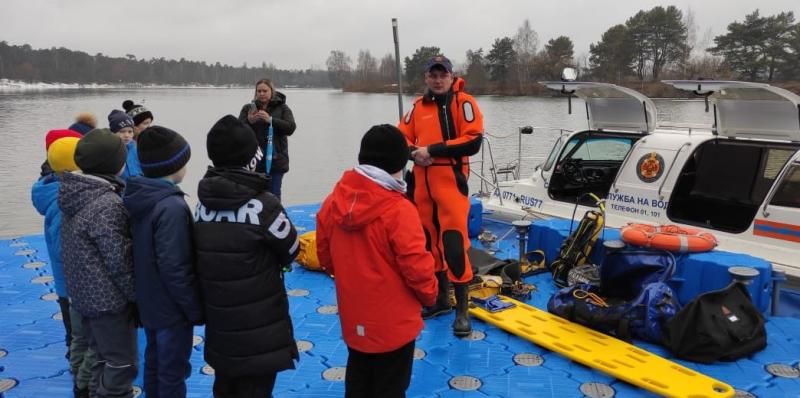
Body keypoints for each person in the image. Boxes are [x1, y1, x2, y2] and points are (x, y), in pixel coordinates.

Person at [316, 124, 438, 398]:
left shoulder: (333, 201)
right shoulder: (399, 209)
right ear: (398, 163)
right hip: (394, 327)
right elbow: (417, 265)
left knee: (358, 381)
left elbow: (325, 256)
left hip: (354, 318)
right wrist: (430, 295)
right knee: (391, 387)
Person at [194, 115, 300, 397]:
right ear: (252, 159)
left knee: (225, 386)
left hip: (220, 327)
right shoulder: (264, 205)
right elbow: (291, 249)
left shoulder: (201, 204)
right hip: (260, 332)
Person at [397, 55, 484, 337]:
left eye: (442, 75)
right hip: (421, 185)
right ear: (425, 77)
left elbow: (473, 141)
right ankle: (440, 300)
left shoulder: (464, 103)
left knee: (454, 245)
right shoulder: (417, 107)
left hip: (450, 183)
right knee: (427, 242)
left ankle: (462, 310)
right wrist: (413, 153)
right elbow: (401, 138)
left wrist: (431, 151)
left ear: (450, 76)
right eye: (432, 75)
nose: (437, 80)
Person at [123, 125, 202, 398]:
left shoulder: (138, 195)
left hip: (149, 302)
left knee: (155, 363)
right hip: (172, 308)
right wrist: (193, 307)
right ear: (174, 166)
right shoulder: (171, 207)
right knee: (173, 371)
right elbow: (174, 265)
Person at [59, 129, 137, 398]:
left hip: (84, 300)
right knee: (122, 363)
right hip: (108, 304)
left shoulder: (74, 194)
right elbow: (120, 262)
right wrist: (138, 296)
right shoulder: (107, 205)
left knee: (101, 360)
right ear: (115, 163)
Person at [31, 133, 96, 397]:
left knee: (78, 334)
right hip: (73, 282)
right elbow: (64, 246)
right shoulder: (63, 200)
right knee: (80, 336)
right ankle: (82, 383)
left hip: (67, 281)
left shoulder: (52, 189)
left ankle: (79, 375)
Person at [238, 78, 296, 201]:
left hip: (276, 160)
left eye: (265, 91)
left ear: (272, 91)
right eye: (259, 91)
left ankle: (276, 219)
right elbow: (237, 131)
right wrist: (249, 121)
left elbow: (291, 128)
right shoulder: (248, 109)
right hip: (254, 161)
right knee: (254, 197)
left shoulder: (283, 108)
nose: (262, 94)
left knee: (274, 195)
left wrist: (271, 120)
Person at [108, 109, 143, 180]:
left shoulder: (137, 148)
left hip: (139, 186)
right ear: (113, 133)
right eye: (122, 131)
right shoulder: (110, 151)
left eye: (130, 131)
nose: (127, 135)